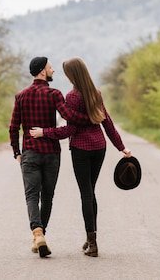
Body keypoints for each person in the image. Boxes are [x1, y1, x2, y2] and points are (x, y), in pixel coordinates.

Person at [30, 57, 131, 258]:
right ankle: (91, 238)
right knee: (91, 192)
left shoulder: (72, 97)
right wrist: (122, 147)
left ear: (72, 74)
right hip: (99, 147)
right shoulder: (96, 93)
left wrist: (45, 133)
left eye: (67, 72)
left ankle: (92, 244)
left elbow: (70, 129)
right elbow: (107, 123)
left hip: (81, 149)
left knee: (86, 193)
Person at [9, 56, 91, 258]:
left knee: (31, 195)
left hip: (29, 152)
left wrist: (16, 152)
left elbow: (13, 128)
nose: (53, 70)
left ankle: (37, 234)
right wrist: (90, 118)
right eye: (51, 68)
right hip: (52, 154)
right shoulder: (54, 94)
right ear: (42, 71)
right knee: (47, 196)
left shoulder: (21, 96)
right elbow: (69, 116)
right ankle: (40, 234)